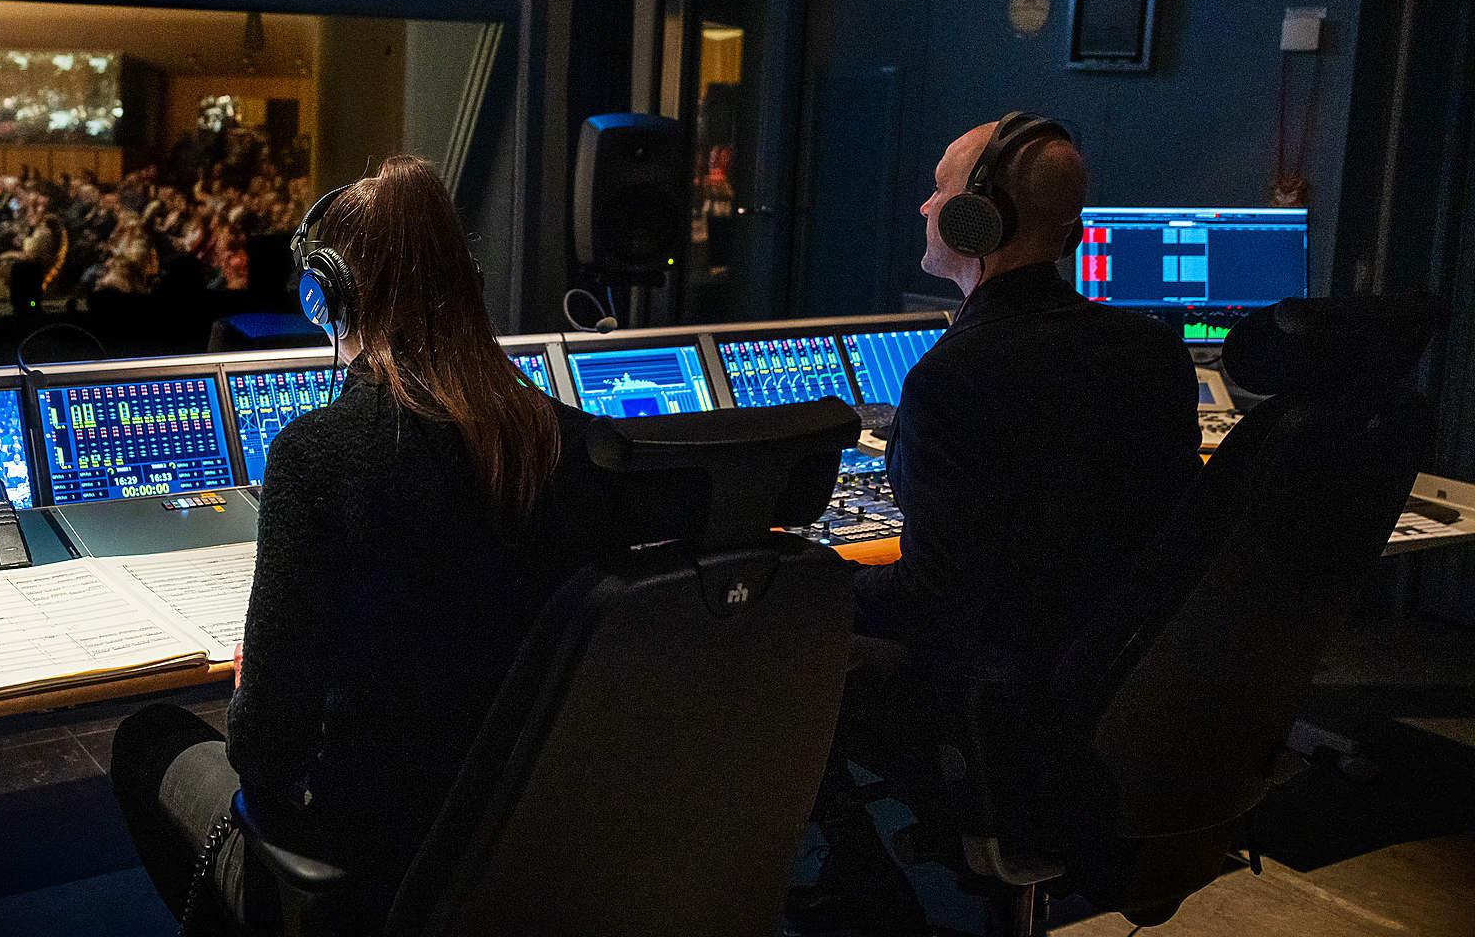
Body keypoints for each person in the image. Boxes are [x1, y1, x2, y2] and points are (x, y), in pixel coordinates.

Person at [109, 157, 693, 932]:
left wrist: (259, 687)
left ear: (327, 294)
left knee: (146, 738)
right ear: (468, 281)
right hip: (532, 847)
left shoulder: (317, 454)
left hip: (370, 860)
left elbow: (265, 752)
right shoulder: (577, 442)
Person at [791, 116, 1201, 933]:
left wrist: (812, 587)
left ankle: (870, 901)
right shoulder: (1150, 350)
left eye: (941, 187)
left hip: (1006, 710)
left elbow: (932, 600)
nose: (923, 206)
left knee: (795, 658)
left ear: (979, 219)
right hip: (1123, 698)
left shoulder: (959, 376)